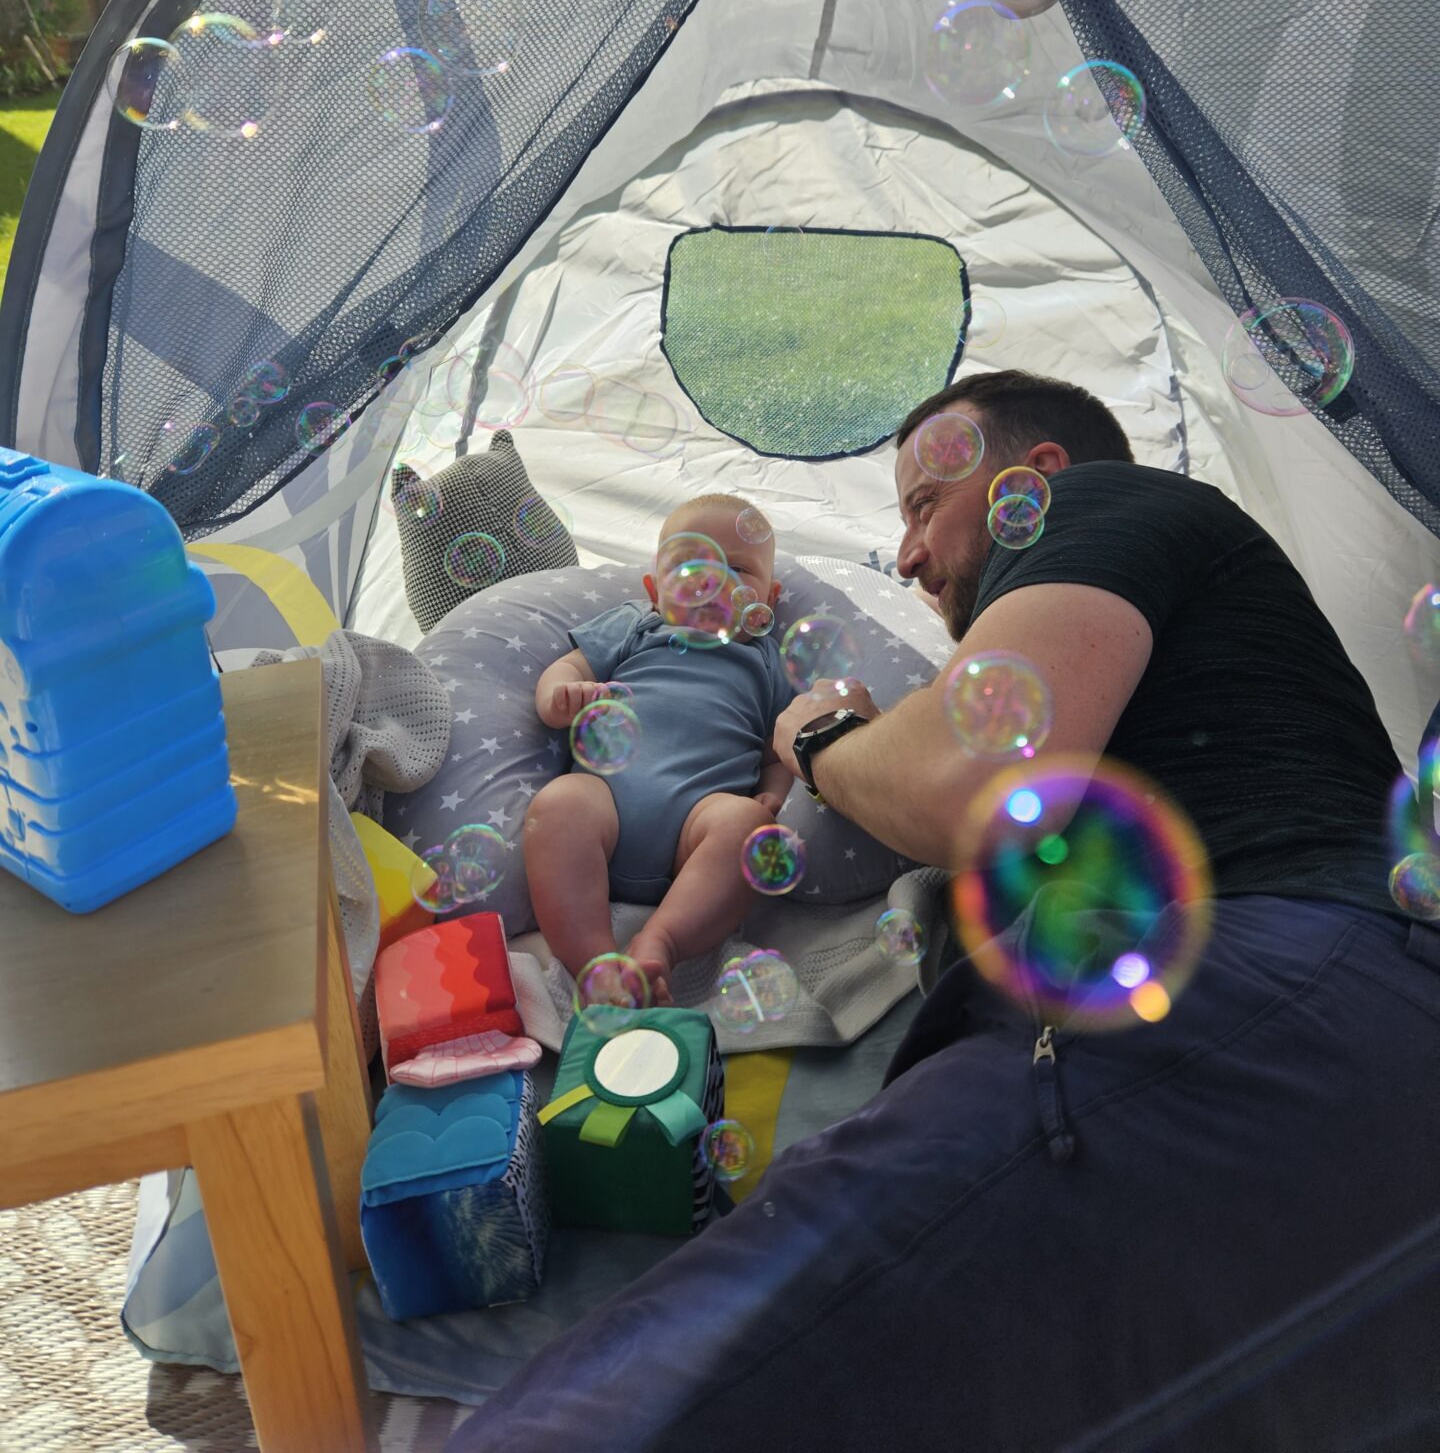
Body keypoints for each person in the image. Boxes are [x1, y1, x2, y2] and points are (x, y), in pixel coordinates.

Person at [448, 370, 1440, 1453]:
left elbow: (975, 784)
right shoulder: (1156, 644)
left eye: (924, 504)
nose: (909, 557)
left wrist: (819, 741)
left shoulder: (1107, 506)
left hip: (1271, 981)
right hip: (1330, 1041)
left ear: (1037, 476)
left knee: (652, 1400)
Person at [525, 493, 791, 1004]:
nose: (713, 580)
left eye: (738, 567)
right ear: (653, 590)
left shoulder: (764, 658)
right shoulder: (636, 624)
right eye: (691, 564)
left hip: (695, 830)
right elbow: (567, 669)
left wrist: (772, 795)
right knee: (559, 804)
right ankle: (596, 966)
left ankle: (660, 942)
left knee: (748, 829)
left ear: (770, 598)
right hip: (605, 803)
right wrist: (560, 698)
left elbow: (778, 752)